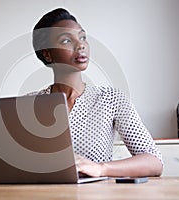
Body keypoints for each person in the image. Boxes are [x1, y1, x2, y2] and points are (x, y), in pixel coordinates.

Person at [31, 8, 163, 177]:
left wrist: (101, 168)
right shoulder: (30, 104)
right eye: (66, 40)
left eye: (82, 37)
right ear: (48, 54)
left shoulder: (111, 99)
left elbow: (154, 161)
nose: (80, 45)